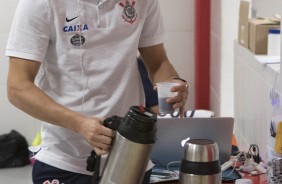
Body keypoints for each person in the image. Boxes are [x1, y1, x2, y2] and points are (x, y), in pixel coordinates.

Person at [5, 0, 189, 183]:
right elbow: (18, 88)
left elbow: (158, 63)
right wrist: (79, 124)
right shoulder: (39, 3)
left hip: (133, 160)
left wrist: (173, 84)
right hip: (65, 161)